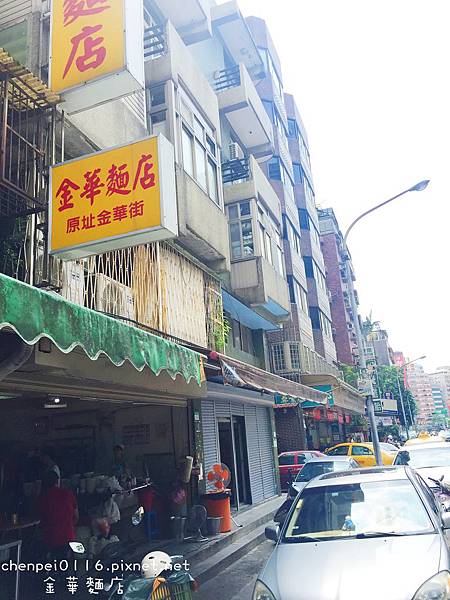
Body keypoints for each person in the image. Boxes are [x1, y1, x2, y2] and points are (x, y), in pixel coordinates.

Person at [37, 470, 78, 560]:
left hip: (51, 538)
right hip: (68, 537)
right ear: (57, 481)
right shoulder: (68, 494)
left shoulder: (43, 497)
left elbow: (40, 519)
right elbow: (76, 516)